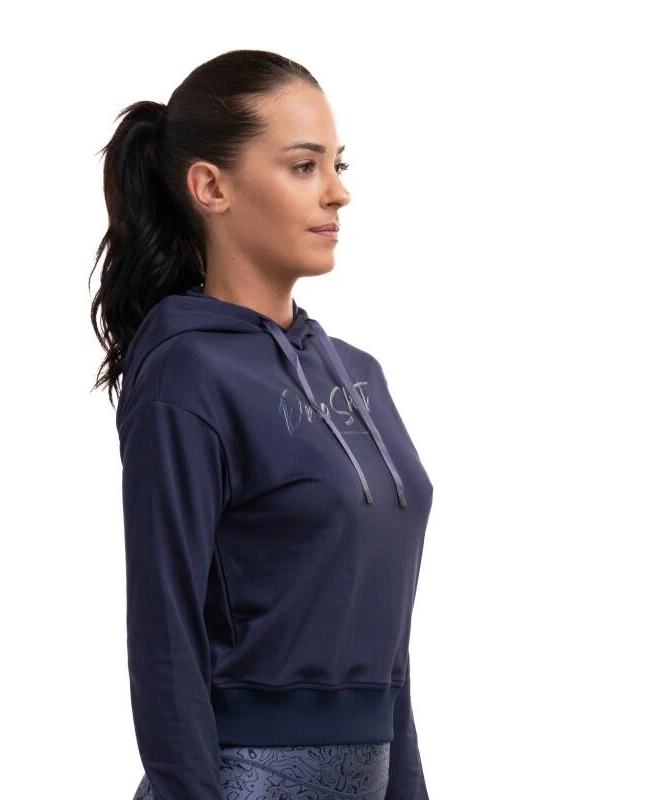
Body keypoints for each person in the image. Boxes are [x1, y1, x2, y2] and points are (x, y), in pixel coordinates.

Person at [90, 49, 433, 800]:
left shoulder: (361, 378)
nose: (338, 192)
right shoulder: (187, 373)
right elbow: (164, 632)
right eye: (304, 166)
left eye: (338, 164)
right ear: (211, 187)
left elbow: (390, 650)